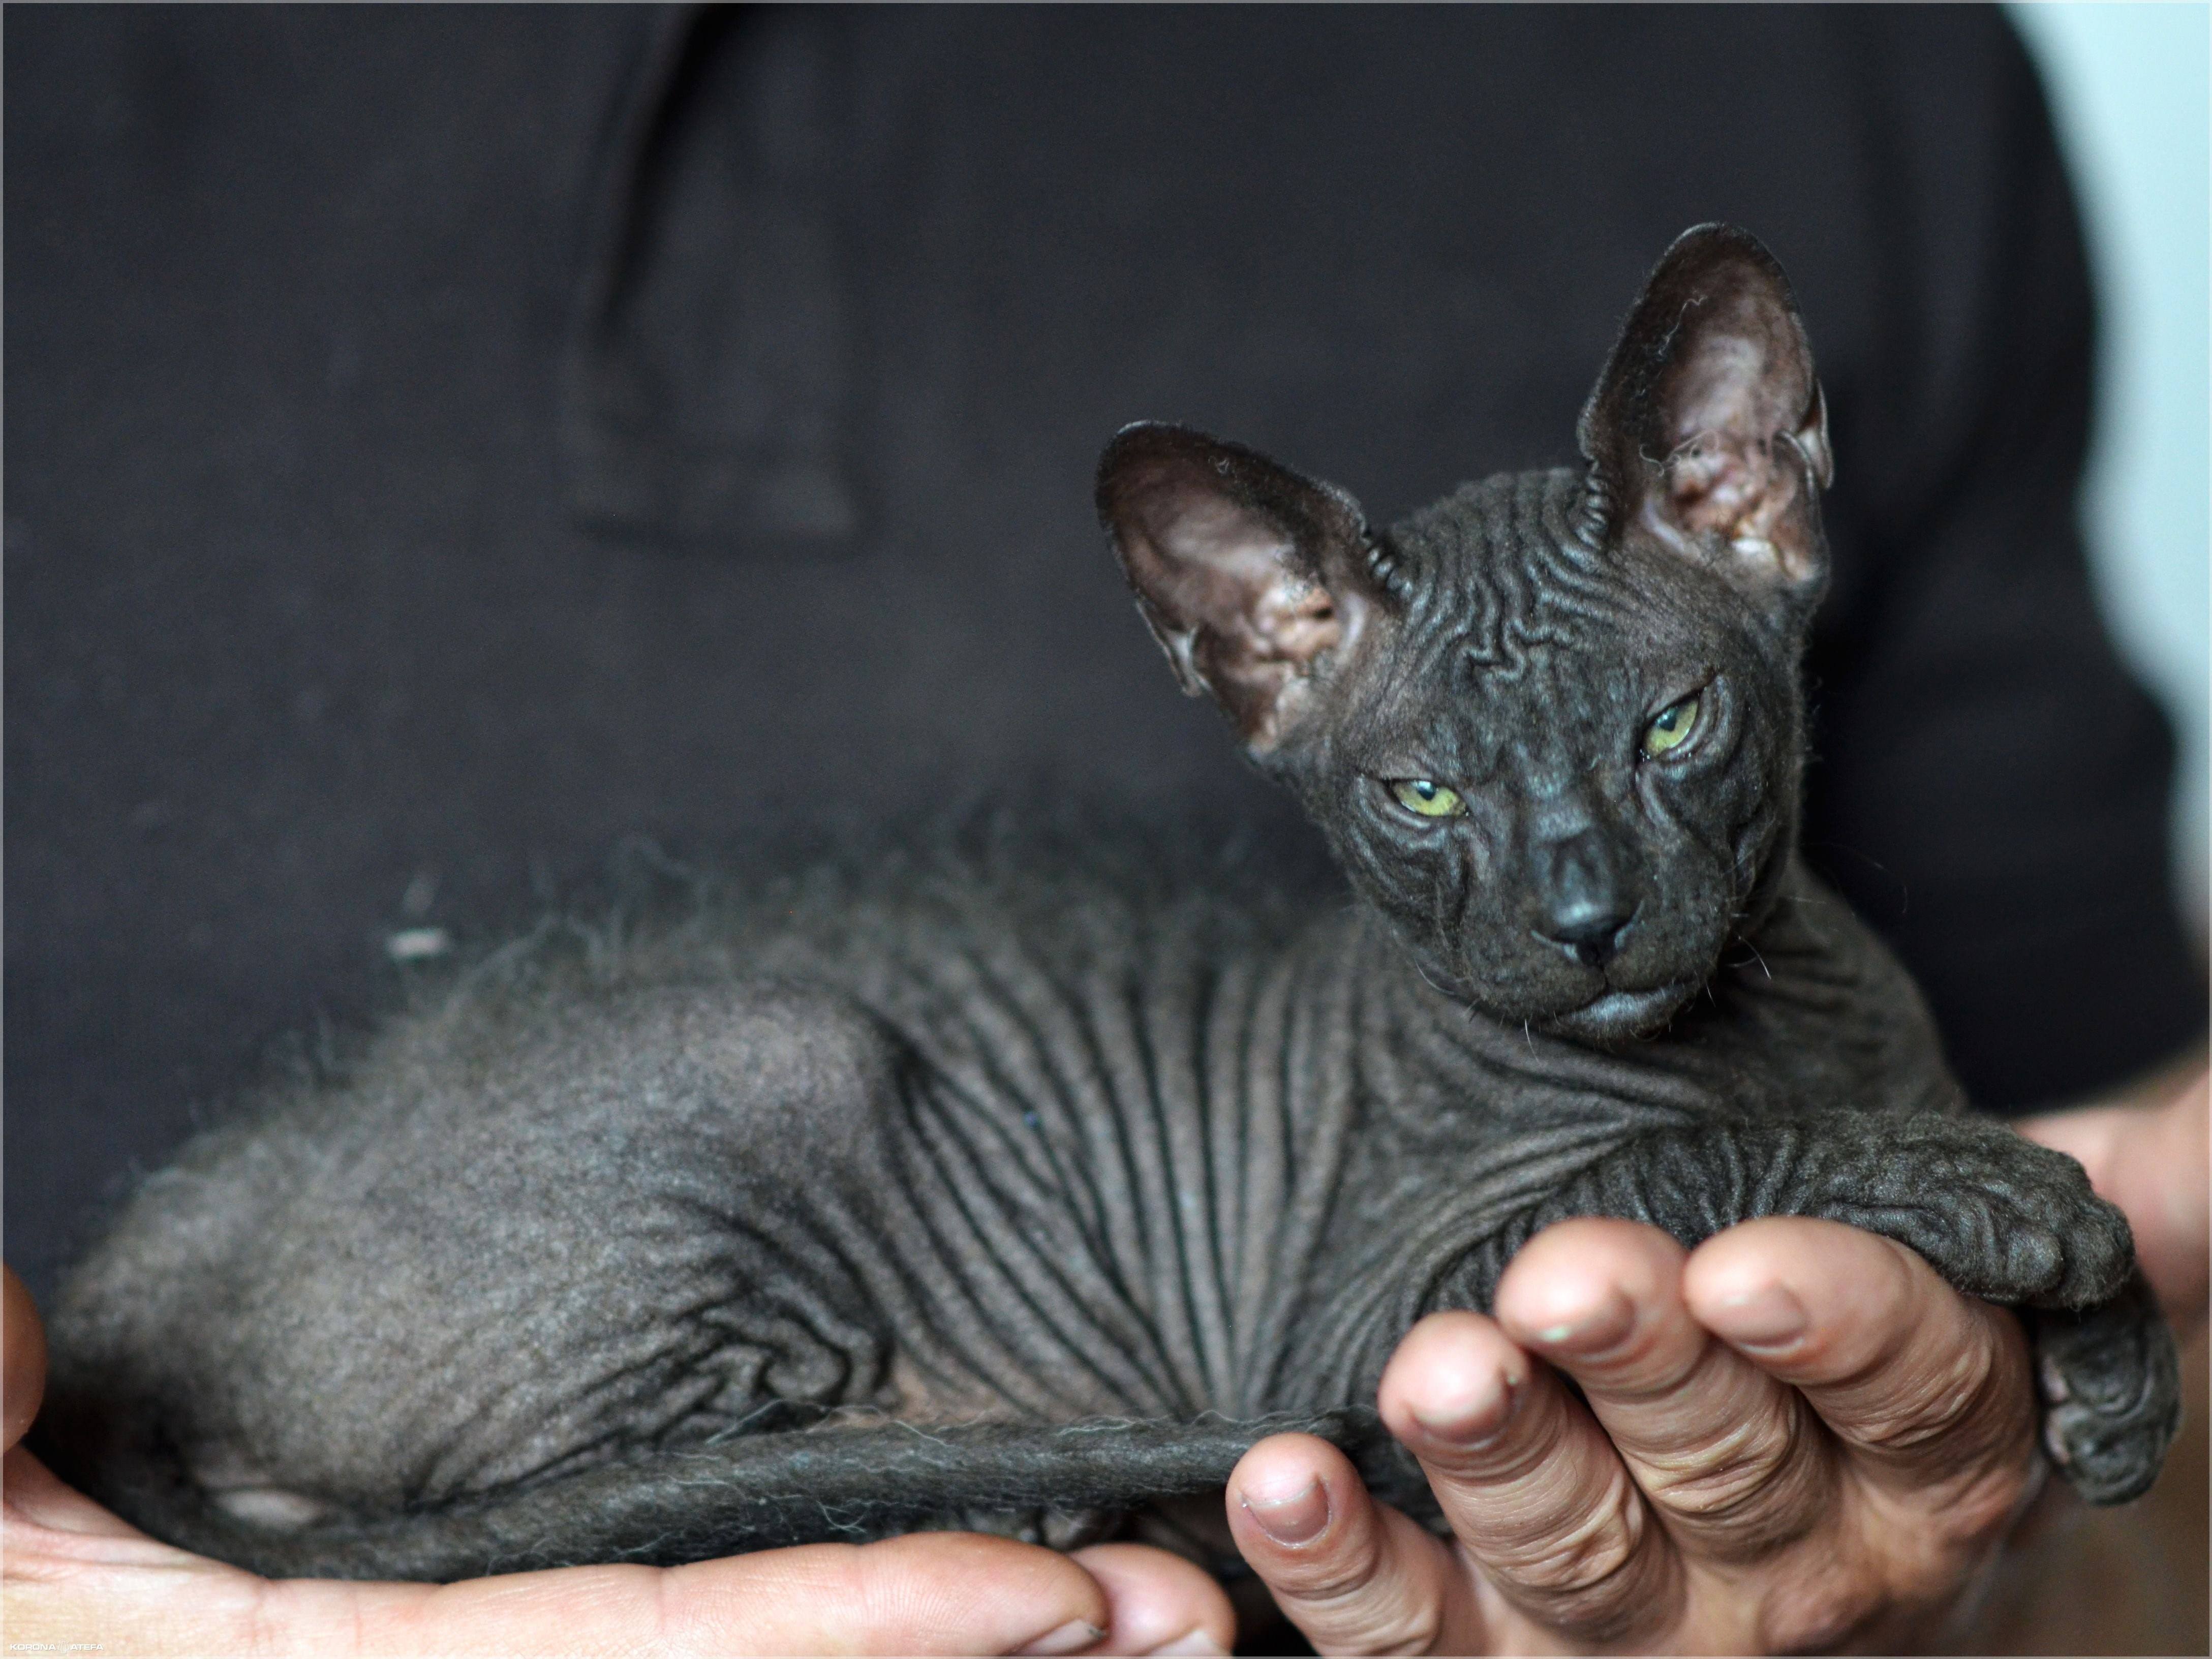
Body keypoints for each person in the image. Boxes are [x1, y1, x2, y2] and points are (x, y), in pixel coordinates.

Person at [7, 8, 2204, 1652]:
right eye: (1435, 792)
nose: (1572, 890)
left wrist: (2012, 1517)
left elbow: (2105, 1388)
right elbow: (1388, 1325)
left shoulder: (1833, 52)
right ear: (1258, 663)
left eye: (1662, 746)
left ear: (1752, 506)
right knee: (785, 1081)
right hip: (352, 1354)